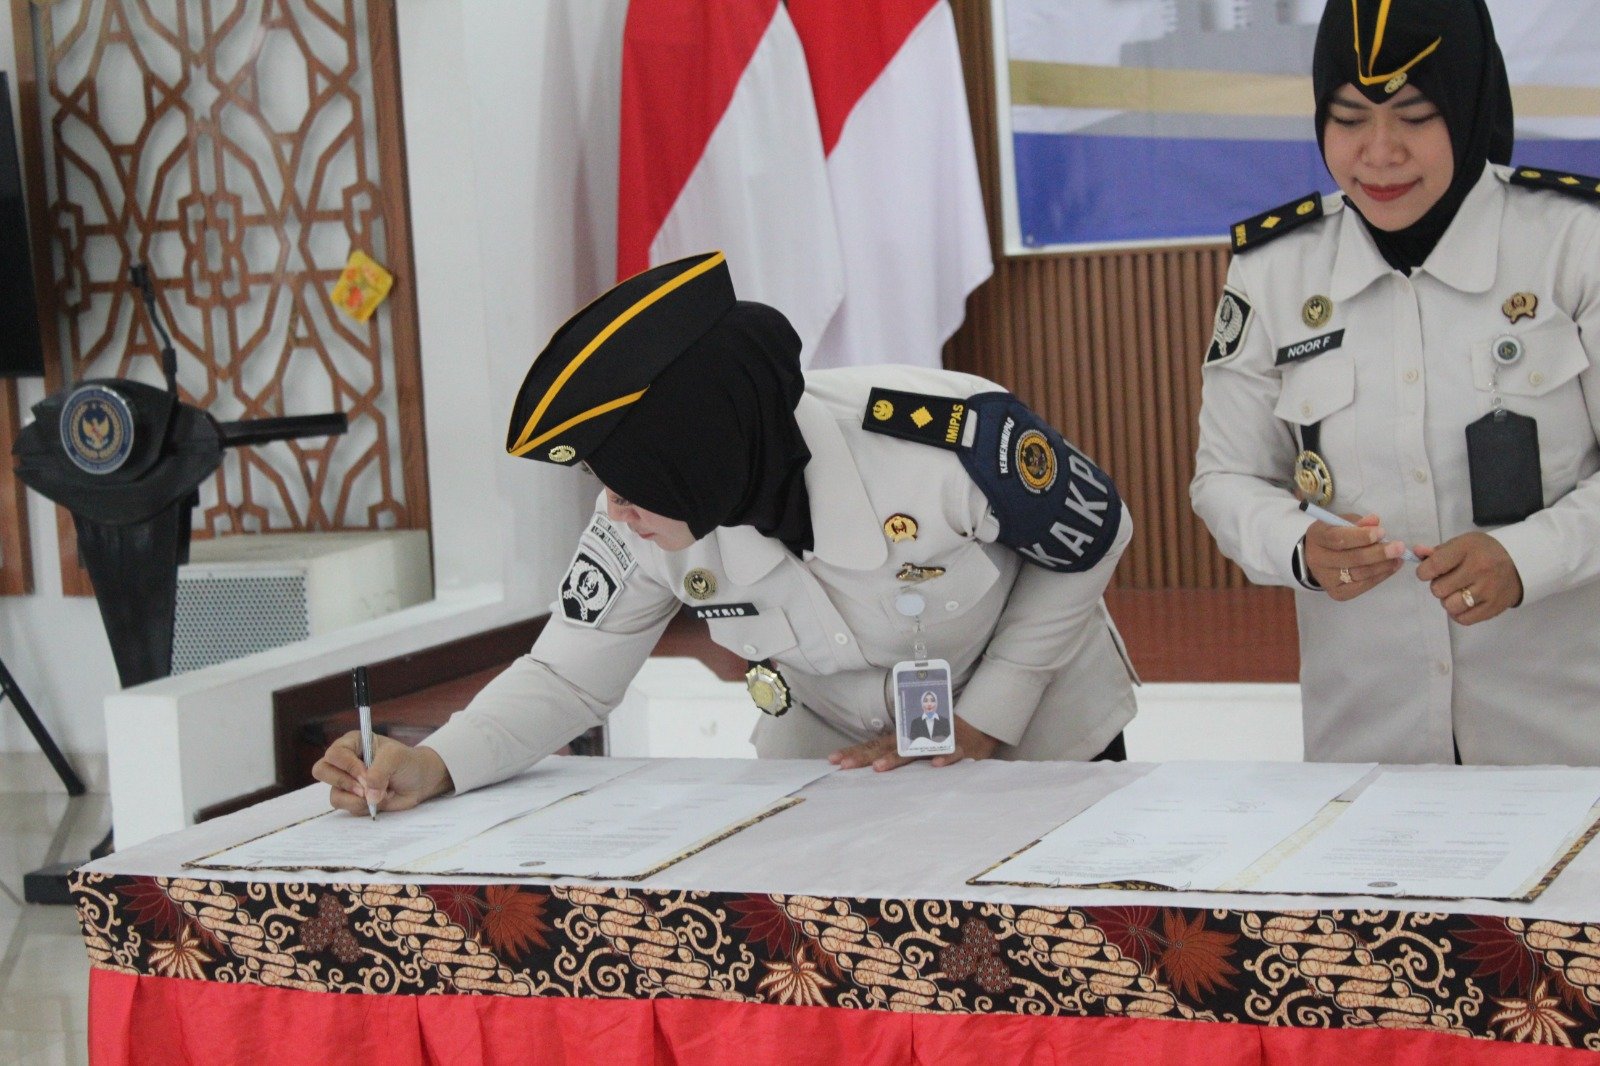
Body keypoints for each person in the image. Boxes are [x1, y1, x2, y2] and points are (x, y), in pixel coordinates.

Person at [317, 252, 1137, 812]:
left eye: (633, 480)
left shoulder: (939, 442)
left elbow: (1093, 537)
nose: (614, 509)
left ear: (702, 451)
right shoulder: (645, 523)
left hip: (1038, 738)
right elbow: (567, 676)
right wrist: (436, 762)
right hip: (840, 770)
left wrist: (992, 711)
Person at [1191, 0, 1600, 765]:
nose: (1378, 153)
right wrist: (1301, 546)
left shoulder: (1575, 244)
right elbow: (1227, 478)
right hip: (1368, 745)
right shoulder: (1276, 269)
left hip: (1566, 744)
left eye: (1415, 116)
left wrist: (1527, 557)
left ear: (1469, 103)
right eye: (1348, 119)